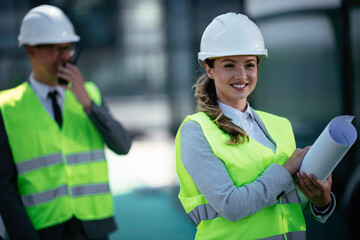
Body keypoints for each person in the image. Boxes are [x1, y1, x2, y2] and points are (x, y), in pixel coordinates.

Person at [175, 13, 336, 240]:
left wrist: (321, 201)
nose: (241, 75)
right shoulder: (196, 131)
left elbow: (289, 201)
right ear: (209, 69)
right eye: (229, 65)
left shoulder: (280, 126)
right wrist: (286, 169)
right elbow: (231, 206)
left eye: (249, 65)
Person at [0, 5, 132, 240]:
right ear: (31, 51)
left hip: (92, 228)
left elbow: (122, 146)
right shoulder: (7, 107)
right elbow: (4, 187)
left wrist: (88, 104)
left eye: (67, 49)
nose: (64, 57)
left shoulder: (90, 93)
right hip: (43, 229)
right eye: (54, 49)